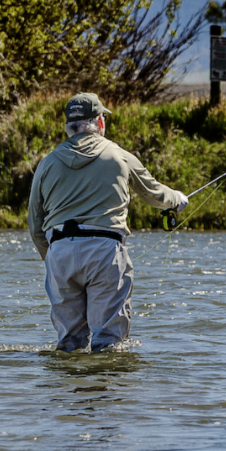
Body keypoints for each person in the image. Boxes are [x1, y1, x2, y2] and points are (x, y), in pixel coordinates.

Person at [28, 92, 189, 352]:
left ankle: (68, 391)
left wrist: (53, 259)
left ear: (69, 126)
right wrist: (176, 199)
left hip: (59, 253)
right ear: (99, 122)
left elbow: (35, 225)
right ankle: (104, 392)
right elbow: (154, 193)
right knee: (109, 344)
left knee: (70, 345)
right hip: (105, 252)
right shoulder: (119, 156)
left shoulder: (47, 163)